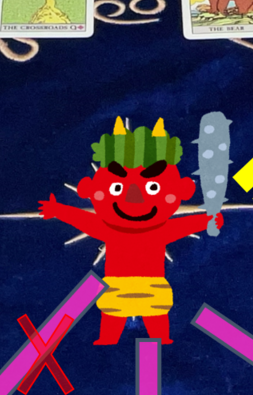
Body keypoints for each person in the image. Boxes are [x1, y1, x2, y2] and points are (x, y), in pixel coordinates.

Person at [38, 117, 223, 345]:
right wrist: (59, 210)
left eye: (152, 187)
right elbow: (83, 220)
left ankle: (146, 338)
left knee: (144, 314)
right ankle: (114, 339)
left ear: (181, 190)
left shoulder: (151, 229)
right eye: (118, 187)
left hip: (140, 285)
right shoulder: (138, 229)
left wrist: (207, 220)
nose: (133, 197)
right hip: (131, 285)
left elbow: (84, 220)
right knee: (124, 313)